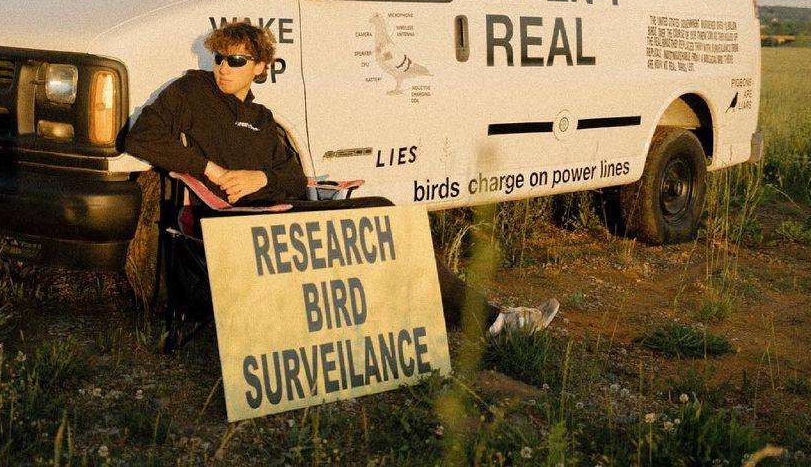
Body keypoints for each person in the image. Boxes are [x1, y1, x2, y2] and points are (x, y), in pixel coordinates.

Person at [123, 21, 558, 336]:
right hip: (227, 220)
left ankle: (484, 319)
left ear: (260, 67)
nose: (223, 68)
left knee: (387, 219)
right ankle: (494, 321)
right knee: (383, 217)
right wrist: (210, 169)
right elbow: (139, 138)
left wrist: (259, 177)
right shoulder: (191, 92)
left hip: (277, 210)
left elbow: (293, 179)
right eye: (219, 58)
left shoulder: (261, 119)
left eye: (236, 60)